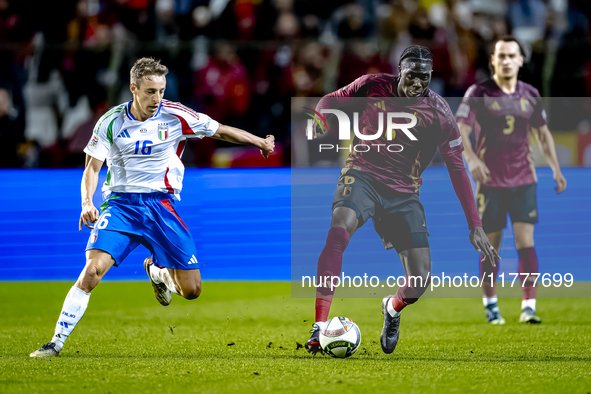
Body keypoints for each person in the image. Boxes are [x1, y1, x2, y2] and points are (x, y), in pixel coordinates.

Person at [30, 58, 275, 357]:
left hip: (160, 207)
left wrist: (259, 143)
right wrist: (86, 202)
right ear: (133, 88)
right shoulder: (111, 121)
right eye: (149, 92)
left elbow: (219, 130)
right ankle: (55, 342)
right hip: (121, 207)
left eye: (160, 90)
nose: (156, 98)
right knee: (92, 272)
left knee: (192, 290)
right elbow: (92, 168)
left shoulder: (175, 115)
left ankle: (157, 272)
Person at [304, 45, 499, 355]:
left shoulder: (440, 114)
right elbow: (332, 99)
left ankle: (392, 308)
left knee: (420, 280)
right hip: (362, 175)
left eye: (425, 78)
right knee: (339, 231)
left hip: (404, 193)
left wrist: (474, 224)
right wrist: (321, 114)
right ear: (400, 72)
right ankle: (318, 327)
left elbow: (458, 168)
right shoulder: (371, 85)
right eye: (412, 76)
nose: (418, 84)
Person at [455, 37, 566, 325]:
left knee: (525, 242)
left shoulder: (530, 94)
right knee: (490, 246)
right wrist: (473, 160)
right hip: (490, 181)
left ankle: (528, 305)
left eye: (511, 55)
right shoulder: (478, 92)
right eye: (500, 55)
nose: (506, 60)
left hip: (523, 179)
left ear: (520, 60)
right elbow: (460, 130)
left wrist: (555, 167)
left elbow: (543, 133)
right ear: (492, 60)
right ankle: (491, 304)